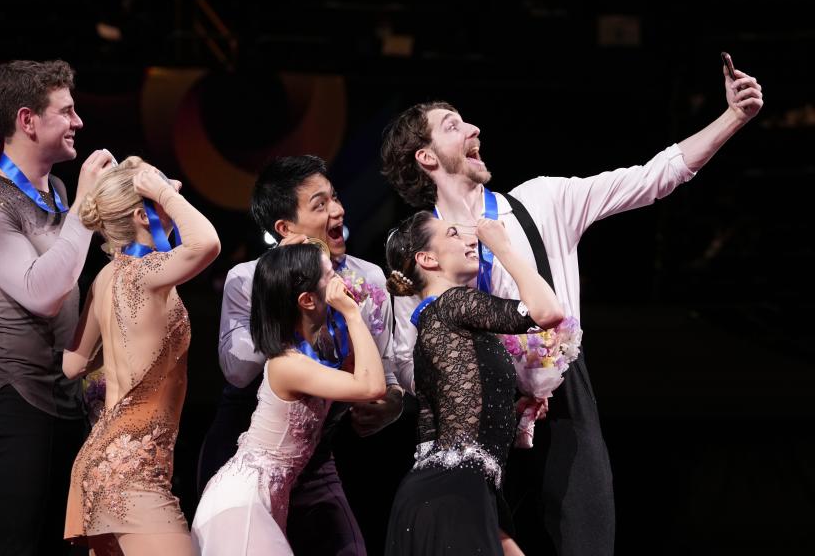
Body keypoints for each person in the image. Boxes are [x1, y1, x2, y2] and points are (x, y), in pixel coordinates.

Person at [379, 60, 764, 556]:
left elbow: (653, 177)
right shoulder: (420, 247)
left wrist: (732, 116)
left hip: (561, 403)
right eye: (453, 125)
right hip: (471, 422)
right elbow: (411, 363)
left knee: (586, 542)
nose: (474, 127)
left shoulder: (542, 200)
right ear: (427, 158)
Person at [196, 155, 404, 555]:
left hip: (317, 453)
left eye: (336, 198)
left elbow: (384, 375)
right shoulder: (248, 279)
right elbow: (237, 371)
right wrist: (282, 291)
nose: (338, 210)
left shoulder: (370, 279)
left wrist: (390, 404)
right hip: (245, 452)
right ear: (285, 228)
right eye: (320, 204)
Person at [0, 59, 115, 555]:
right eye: (66, 111)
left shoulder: (58, 191)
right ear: (28, 120)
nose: (78, 122)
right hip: (10, 400)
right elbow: (42, 294)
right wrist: (86, 208)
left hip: (62, 403)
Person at [62, 157, 220, 555]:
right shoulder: (148, 272)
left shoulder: (104, 278)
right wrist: (160, 191)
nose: (177, 186)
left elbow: (73, 365)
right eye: (164, 187)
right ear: (141, 213)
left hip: (100, 466)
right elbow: (208, 243)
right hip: (133, 476)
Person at [382, 211, 562, 555]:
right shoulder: (454, 303)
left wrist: (510, 411)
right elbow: (548, 311)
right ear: (427, 259)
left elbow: (448, 425)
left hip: (438, 495)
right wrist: (504, 248)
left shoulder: (433, 327)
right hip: (456, 494)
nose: (469, 240)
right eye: (453, 234)